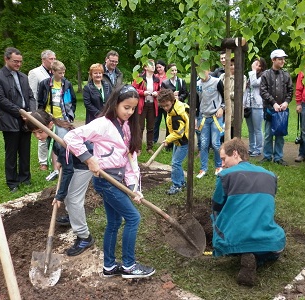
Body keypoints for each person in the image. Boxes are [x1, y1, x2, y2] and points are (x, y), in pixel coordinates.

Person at [64, 84, 155, 279]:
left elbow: (131, 162)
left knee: (114, 222)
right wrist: (88, 158)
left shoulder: (128, 127)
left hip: (119, 181)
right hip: (106, 181)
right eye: (126, 107)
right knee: (133, 218)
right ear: (115, 104)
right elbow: (72, 137)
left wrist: (133, 187)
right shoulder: (102, 124)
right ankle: (129, 266)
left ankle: (109, 266)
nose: (129, 112)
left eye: (132, 108)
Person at [211, 138, 285, 286]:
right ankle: (258, 257)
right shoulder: (270, 175)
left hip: (233, 238)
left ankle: (237, 250)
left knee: (214, 217)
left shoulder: (225, 176)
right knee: (278, 242)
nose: (222, 164)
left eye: (224, 159)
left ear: (236, 154)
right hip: (269, 238)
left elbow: (216, 206)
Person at [25, 110, 95, 256]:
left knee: (73, 199)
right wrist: (59, 160)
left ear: (49, 124)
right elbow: (56, 148)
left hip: (84, 164)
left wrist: (59, 196)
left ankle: (84, 237)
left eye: (39, 131)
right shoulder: (54, 129)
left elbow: (68, 172)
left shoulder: (62, 138)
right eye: (34, 133)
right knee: (70, 196)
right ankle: (72, 217)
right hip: (74, 161)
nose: (37, 136)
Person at [0, 47, 36, 193]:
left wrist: (30, 113)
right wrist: (20, 112)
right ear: (6, 59)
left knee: (25, 151)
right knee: (11, 153)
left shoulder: (23, 76)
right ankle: (12, 182)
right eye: (15, 61)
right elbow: (0, 99)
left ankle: (25, 178)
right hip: (10, 120)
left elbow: (30, 96)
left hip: (26, 119)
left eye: (20, 62)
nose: (18, 64)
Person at [38, 60, 77, 181]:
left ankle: (64, 166)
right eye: (60, 73)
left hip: (63, 118)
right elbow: (40, 101)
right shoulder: (45, 84)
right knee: (52, 143)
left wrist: (70, 115)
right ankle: (55, 168)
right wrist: (43, 116)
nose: (62, 75)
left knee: (63, 141)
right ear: (52, 71)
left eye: (63, 72)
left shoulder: (67, 84)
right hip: (50, 117)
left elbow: (73, 100)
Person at [260, 49, 293, 166]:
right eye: (280, 59)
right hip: (270, 109)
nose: (282, 61)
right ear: (273, 60)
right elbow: (263, 91)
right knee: (268, 134)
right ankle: (267, 156)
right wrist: (273, 103)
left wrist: (286, 102)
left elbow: (290, 91)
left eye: (283, 59)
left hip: (282, 110)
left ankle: (278, 157)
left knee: (280, 134)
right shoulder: (265, 75)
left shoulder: (286, 75)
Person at [157, 89, 189, 195]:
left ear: (172, 100)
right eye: (163, 106)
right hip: (178, 140)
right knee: (176, 163)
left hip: (183, 140)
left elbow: (179, 133)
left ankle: (177, 185)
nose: (165, 108)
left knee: (175, 163)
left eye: (167, 105)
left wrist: (167, 140)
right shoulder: (175, 106)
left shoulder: (176, 114)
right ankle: (181, 182)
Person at [28, 50, 56, 171]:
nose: (53, 61)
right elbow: (32, 93)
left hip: (55, 109)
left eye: (54, 58)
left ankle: (55, 158)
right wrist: (35, 112)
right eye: (51, 59)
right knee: (42, 135)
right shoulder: (35, 73)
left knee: (55, 134)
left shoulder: (55, 73)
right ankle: (43, 162)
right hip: (42, 110)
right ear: (43, 59)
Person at [196, 69, 225, 178]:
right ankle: (203, 168)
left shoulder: (217, 82)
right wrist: (195, 117)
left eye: (203, 70)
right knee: (203, 144)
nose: (202, 73)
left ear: (208, 70)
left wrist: (222, 108)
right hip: (203, 117)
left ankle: (219, 166)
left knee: (215, 143)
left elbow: (224, 96)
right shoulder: (197, 84)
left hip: (216, 116)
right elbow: (195, 102)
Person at [132, 59, 161, 154]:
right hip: (142, 104)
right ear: (145, 67)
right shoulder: (140, 77)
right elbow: (133, 89)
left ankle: (149, 148)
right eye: (150, 65)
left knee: (151, 127)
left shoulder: (156, 78)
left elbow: (161, 90)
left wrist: (157, 93)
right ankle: (138, 148)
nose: (153, 66)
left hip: (152, 104)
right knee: (140, 127)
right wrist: (143, 93)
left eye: (154, 64)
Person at [159, 63, 189, 149]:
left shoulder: (180, 81)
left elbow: (185, 92)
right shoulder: (165, 82)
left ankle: (176, 142)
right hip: (168, 107)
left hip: (177, 106)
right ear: (168, 71)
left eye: (176, 70)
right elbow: (163, 94)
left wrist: (179, 97)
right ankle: (169, 145)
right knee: (169, 125)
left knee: (177, 126)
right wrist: (172, 95)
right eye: (172, 70)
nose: (174, 72)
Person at [243, 57, 267, 157]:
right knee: (250, 129)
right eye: (255, 64)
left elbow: (255, 83)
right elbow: (247, 90)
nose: (256, 66)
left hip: (258, 106)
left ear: (262, 67)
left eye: (258, 65)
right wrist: (244, 104)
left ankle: (258, 149)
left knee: (257, 129)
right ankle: (251, 148)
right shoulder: (251, 75)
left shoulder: (263, 76)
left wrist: (252, 70)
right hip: (248, 105)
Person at [219, 57, 246, 140]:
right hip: (224, 106)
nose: (233, 67)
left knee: (235, 130)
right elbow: (218, 89)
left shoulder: (242, 77)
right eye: (231, 65)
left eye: (235, 65)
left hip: (236, 107)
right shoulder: (222, 76)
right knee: (223, 128)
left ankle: (234, 149)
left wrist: (226, 94)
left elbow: (240, 92)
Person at [153, 59, 167, 144]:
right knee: (156, 122)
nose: (158, 69)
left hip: (165, 102)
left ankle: (167, 141)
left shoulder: (167, 76)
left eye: (160, 67)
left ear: (164, 67)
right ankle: (154, 140)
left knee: (167, 121)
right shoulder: (154, 77)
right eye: (157, 67)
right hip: (157, 103)